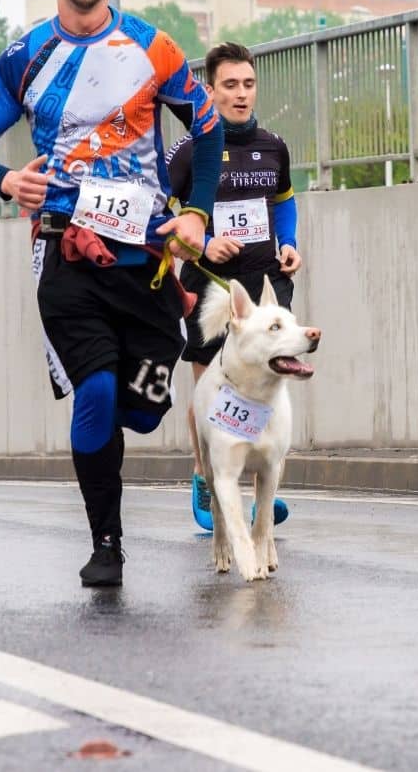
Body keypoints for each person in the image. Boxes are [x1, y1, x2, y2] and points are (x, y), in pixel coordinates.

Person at [0, 0, 222, 587]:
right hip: (65, 255)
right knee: (97, 392)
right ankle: (107, 543)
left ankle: (127, 432)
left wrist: (195, 211)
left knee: (143, 407)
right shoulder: (24, 57)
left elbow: (210, 131)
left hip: (149, 261)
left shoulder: (153, 48)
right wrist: (7, 179)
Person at [167, 42, 302, 531]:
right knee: (211, 388)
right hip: (209, 284)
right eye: (230, 85)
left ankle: (261, 488)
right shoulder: (188, 152)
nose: (241, 94)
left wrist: (289, 243)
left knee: (266, 387)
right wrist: (202, 241)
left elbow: (284, 201)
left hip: (266, 282)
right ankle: (206, 477)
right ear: (210, 90)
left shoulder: (273, 145)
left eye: (248, 84)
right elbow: (162, 214)